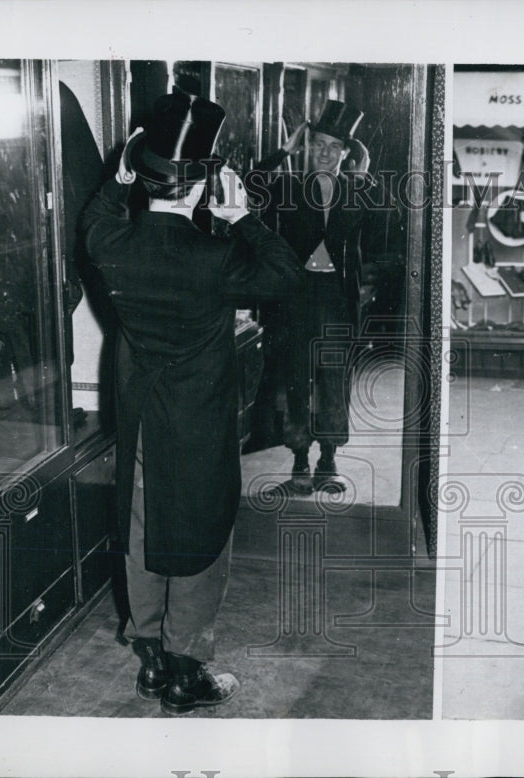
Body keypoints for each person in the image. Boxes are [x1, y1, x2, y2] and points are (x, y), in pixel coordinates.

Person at [83, 92, 303, 715]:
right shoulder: (217, 257)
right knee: (203, 539)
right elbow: (287, 274)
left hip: (141, 420)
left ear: (140, 172)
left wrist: (117, 177)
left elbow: (95, 214)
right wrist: (244, 218)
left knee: (142, 528)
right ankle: (186, 673)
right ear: (204, 184)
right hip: (200, 422)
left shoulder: (111, 241)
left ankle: (150, 660)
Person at [246, 99, 391, 493]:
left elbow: (383, 233)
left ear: (346, 153)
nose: (324, 153)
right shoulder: (288, 184)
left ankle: (328, 461)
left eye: (334, 147)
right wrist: (284, 150)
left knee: (333, 379)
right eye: (318, 144)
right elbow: (249, 184)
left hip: (337, 298)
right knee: (295, 378)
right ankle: (298, 462)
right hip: (296, 296)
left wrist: (366, 178)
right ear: (308, 147)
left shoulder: (356, 188)